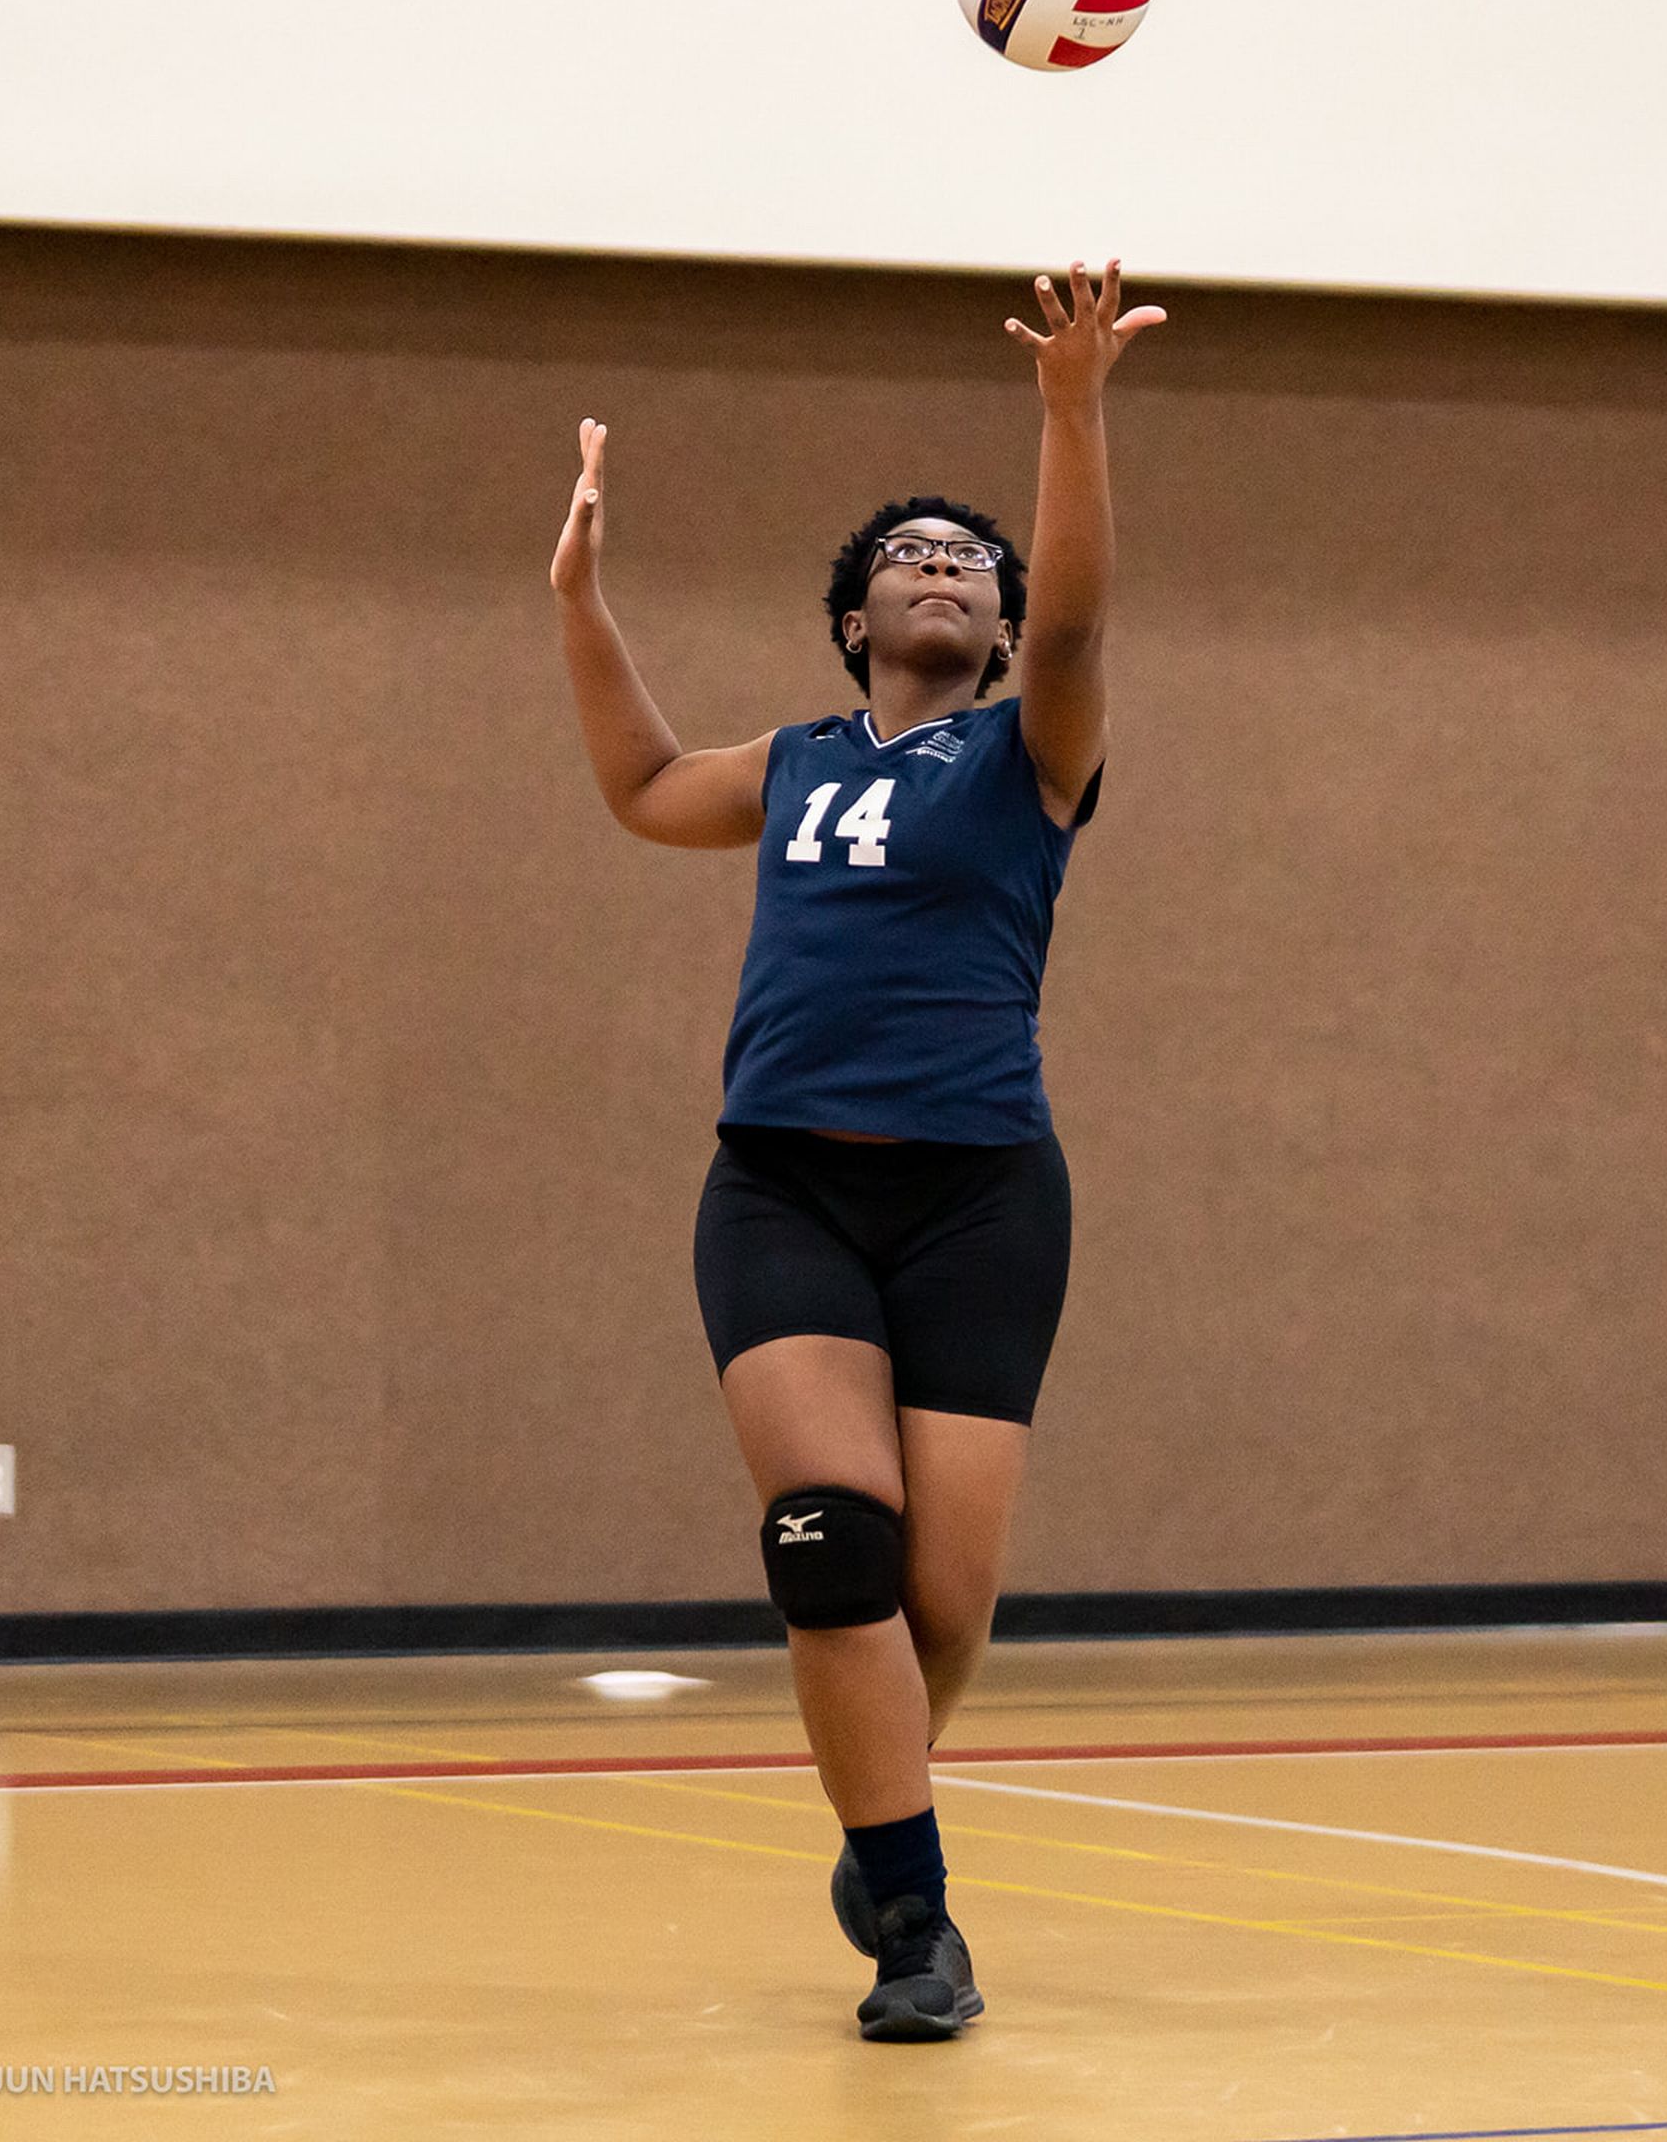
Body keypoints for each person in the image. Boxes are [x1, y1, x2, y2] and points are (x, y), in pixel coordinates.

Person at [550, 259, 1164, 2040]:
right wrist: (581, 599)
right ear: (853, 619)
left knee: (940, 1604)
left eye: (972, 558)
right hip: (786, 1187)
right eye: (911, 552)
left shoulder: (1031, 751)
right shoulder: (804, 760)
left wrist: (1068, 413)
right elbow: (646, 785)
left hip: (981, 1195)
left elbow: (1075, 634)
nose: (946, 567)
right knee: (831, 1549)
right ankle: (917, 1921)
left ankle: (876, 1785)